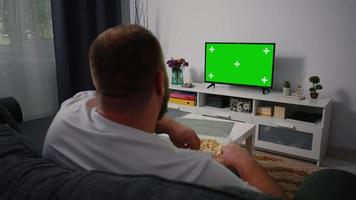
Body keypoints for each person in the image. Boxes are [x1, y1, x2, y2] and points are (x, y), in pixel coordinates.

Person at [42, 24, 286, 200]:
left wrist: (171, 125)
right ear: (160, 82)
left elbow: (94, 102)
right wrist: (241, 158)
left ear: (96, 80)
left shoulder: (68, 112)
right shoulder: (193, 171)